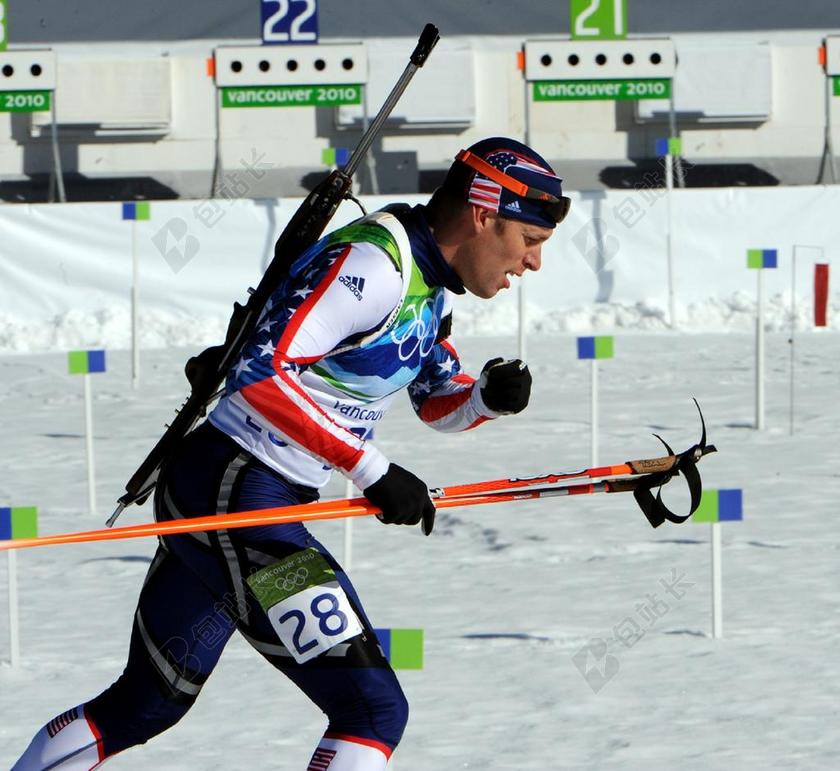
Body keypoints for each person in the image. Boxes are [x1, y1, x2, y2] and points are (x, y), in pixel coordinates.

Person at [13, 137, 570, 771]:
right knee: (372, 711)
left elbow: (433, 399)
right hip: (240, 494)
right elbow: (260, 373)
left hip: (239, 493)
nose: (532, 262)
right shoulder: (375, 266)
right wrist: (373, 471)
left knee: (148, 703)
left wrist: (486, 400)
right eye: (530, 239)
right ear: (482, 214)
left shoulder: (432, 286)